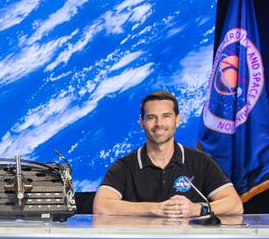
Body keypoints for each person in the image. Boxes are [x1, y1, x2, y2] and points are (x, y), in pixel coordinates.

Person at [94, 90, 244, 217]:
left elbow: (235, 204)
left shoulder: (200, 161)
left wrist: (197, 209)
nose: (159, 124)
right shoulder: (125, 166)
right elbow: (101, 207)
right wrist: (156, 208)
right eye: (151, 117)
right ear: (142, 123)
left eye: (166, 116)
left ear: (177, 120)